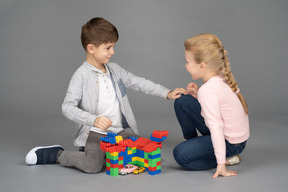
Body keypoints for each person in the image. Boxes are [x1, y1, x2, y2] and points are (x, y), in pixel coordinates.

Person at [25, 17, 187, 173]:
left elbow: (139, 82)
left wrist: (167, 93)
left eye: (113, 46)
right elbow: (67, 107)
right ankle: (58, 155)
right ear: (91, 48)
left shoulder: (115, 69)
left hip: (118, 132)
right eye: (108, 47)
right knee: (93, 166)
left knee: (146, 150)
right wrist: (93, 120)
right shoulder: (81, 75)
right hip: (95, 133)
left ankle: (97, 153)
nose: (113, 52)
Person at [173, 33, 250, 178]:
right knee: (182, 101)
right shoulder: (219, 77)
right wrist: (197, 95)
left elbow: (216, 128)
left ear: (202, 66)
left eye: (188, 62)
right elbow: (218, 104)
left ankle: (228, 159)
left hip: (232, 143)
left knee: (180, 155)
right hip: (233, 135)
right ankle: (194, 143)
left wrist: (221, 164)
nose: (185, 65)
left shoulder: (207, 91)